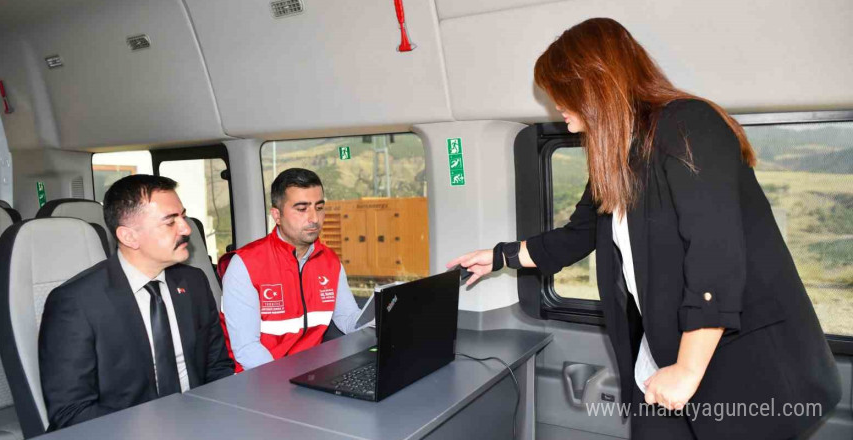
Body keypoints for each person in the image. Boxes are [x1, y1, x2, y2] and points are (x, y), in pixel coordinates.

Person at [448, 18, 840, 440]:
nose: (555, 105)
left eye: (561, 93)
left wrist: (688, 369)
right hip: (664, 354)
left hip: (740, 363)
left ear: (595, 85)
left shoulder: (689, 123)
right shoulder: (617, 156)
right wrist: (500, 256)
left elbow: (714, 253)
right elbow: (579, 234)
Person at [38, 175, 234, 430]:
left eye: (183, 217)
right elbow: (71, 412)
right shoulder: (75, 302)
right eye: (170, 221)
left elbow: (217, 367)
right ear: (129, 237)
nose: (186, 229)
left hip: (200, 422)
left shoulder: (194, 282)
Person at [220, 168, 361, 371]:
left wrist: (383, 316)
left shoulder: (329, 261)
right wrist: (287, 388)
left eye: (319, 207)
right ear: (277, 215)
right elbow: (247, 349)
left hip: (310, 374)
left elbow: (348, 320)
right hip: (258, 379)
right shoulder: (245, 265)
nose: (314, 218)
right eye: (302, 209)